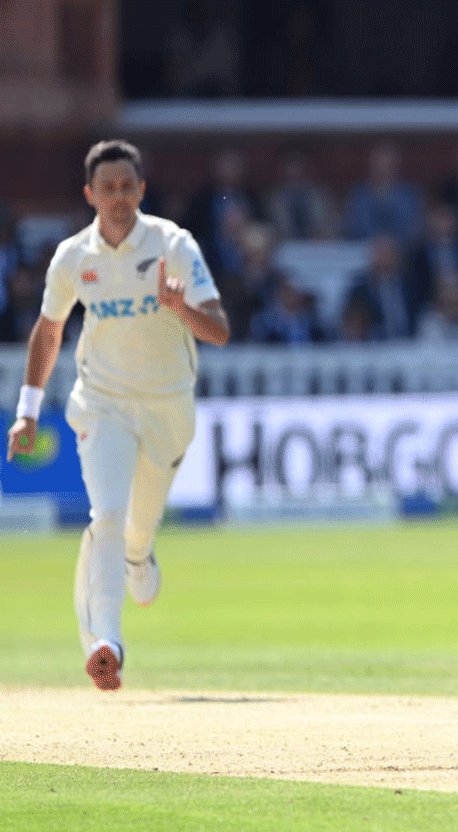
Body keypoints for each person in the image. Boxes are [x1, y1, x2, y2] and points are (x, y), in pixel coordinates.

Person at [5, 139, 230, 692]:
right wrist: (27, 412)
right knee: (105, 515)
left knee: (136, 525)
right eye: (107, 188)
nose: (119, 197)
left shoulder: (173, 244)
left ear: (142, 190)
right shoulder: (72, 258)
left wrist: (180, 308)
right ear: (89, 194)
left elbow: (220, 329)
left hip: (168, 406)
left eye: (128, 186)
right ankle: (106, 643)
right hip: (102, 402)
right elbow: (49, 330)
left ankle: (139, 552)